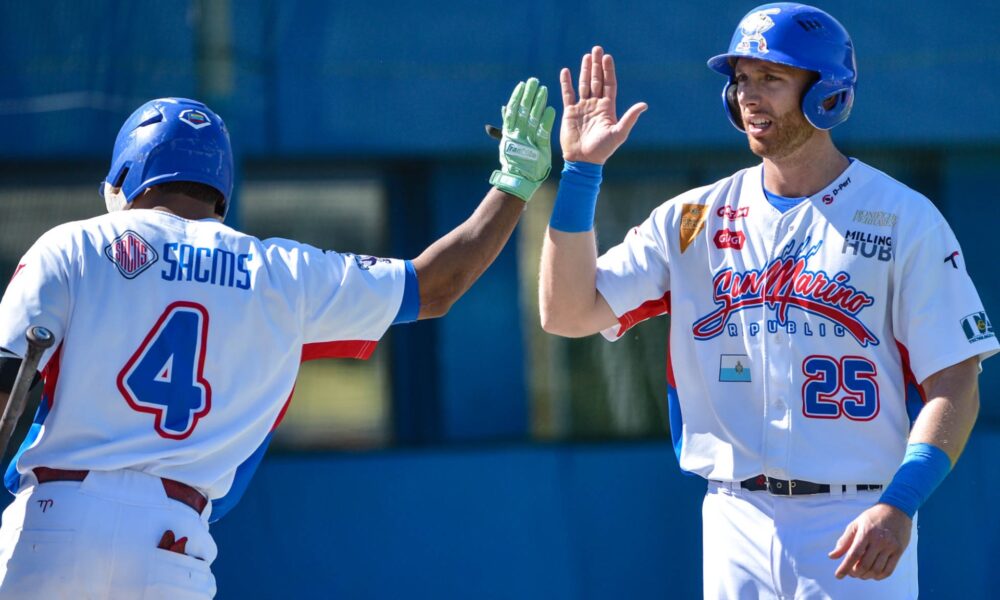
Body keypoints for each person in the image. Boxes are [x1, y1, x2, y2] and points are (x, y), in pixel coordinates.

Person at [0, 80, 555, 598]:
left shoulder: (72, 244)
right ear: (221, 193)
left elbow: (6, 379)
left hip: (54, 522)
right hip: (170, 545)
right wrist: (514, 184)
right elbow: (435, 286)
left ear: (125, 175)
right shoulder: (283, 272)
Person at [539, 4, 997, 599]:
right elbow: (567, 312)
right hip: (733, 515)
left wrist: (902, 502)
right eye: (741, 79)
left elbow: (956, 380)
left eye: (771, 78)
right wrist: (580, 173)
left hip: (857, 515)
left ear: (826, 92)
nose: (749, 96)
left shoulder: (902, 217)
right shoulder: (691, 218)